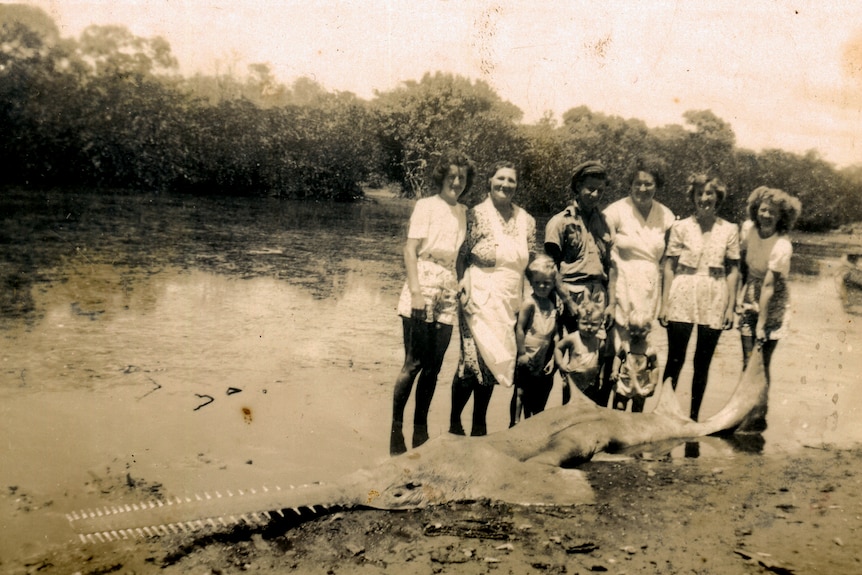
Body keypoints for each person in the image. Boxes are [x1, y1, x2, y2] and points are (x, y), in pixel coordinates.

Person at [391, 150, 474, 456]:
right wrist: (415, 292)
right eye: (451, 176)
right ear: (442, 177)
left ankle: (420, 428)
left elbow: (462, 257)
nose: (456, 182)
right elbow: (410, 250)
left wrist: (463, 282)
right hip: (423, 280)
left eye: (462, 177)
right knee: (413, 363)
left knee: (434, 368)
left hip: (449, 284)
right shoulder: (426, 206)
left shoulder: (464, 212)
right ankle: (396, 430)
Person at [450, 161, 536, 437]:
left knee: (493, 364)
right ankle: (454, 421)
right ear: (489, 181)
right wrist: (462, 281)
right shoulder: (475, 214)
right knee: (471, 364)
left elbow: (530, 263)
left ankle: (479, 423)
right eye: (500, 179)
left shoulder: (527, 220)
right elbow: (460, 255)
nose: (505, 185)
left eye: (511, 180)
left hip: (510, 299)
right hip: (478, 295)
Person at [658, 175, 740, 421]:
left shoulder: (729, 229)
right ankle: (664, 415)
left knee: (702, 362)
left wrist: (730, 308)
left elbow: (734, 270)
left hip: (714, 294)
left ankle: (693, 418)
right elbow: (669, 266)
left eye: (709, 194)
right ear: (692, 197)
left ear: (718, 198)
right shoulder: (680, 227)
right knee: (675, 358)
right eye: (699, 194)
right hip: (682, 292)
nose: (704, 199)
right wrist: (664, 303)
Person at [604, 155, 675, 413]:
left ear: (657, 185)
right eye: (637, 183)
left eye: (649, 183)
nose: (643, 189)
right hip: (621, 286)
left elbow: (669, 263)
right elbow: (604, 253)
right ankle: (614, 415)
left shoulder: (666, 216)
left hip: (648, 289)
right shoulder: (615, 211)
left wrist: (665, 303)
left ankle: (637, 419)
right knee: (619, 355)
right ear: (630, 184)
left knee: (642, 354)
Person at [544, 160, 615, 406]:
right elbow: (550, 268)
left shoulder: (606, 223)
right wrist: (566, 301)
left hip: (598, 297)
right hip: (571, 295)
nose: (595, 194)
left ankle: (591, 420)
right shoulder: (560, 222)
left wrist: (611, 304)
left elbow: (611, 268)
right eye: (590, 188)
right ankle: (570, 417)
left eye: (600, 190)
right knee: (573, 363)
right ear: (577, 187)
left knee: (595, 362)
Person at [736, 186, 802, 431]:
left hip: (772, 299)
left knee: (761, 362)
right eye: (763, 210)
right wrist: (738, 298)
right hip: (750, 292)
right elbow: (741, 264)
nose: (766, 215)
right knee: (746, 359)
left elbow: (770, 285)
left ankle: (758, 417)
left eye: (772, 212)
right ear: (756, 210)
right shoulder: (747, 230)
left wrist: (762, 323)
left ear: (781, 216)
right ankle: (742, 412)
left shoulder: (782, 245)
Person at [510, 255, 560, 426]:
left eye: (546, 283)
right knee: (521, 391)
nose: (541, 286)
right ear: (531, 282)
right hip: (528, 354)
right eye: (537, 282)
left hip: (543, 356)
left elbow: (556, 335)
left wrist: (554, 358)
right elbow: (519, 328)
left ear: (553, 283)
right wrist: (522, 353)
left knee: (538, 392)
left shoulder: (553, 304)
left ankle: (534, 424)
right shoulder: (529, 303)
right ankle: (515, 423)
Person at [555, 293, 608, 403]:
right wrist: (561, 364)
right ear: (577, 322)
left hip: (590, 383)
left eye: (593, 324)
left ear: (600, 324)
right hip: (572, 382)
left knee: (587, 408)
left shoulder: (599, 343)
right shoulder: (573, 338)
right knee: (569, 408)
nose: (589, 327)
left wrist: (601, 376)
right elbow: (558, 348)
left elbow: (602, 362)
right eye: (584, 323)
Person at [610, 310, 659, 412]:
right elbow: (618, 357)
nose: (636, 334)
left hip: (641, 384)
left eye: (641, 331)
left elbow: (655, 367)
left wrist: (653, 383)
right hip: (624, 383)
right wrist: (615, 370)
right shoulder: (625, 345)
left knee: (637, 410)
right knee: (619, 407)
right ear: (628, 328)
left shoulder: (650, 350)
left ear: (649, 330)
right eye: (633, 330)